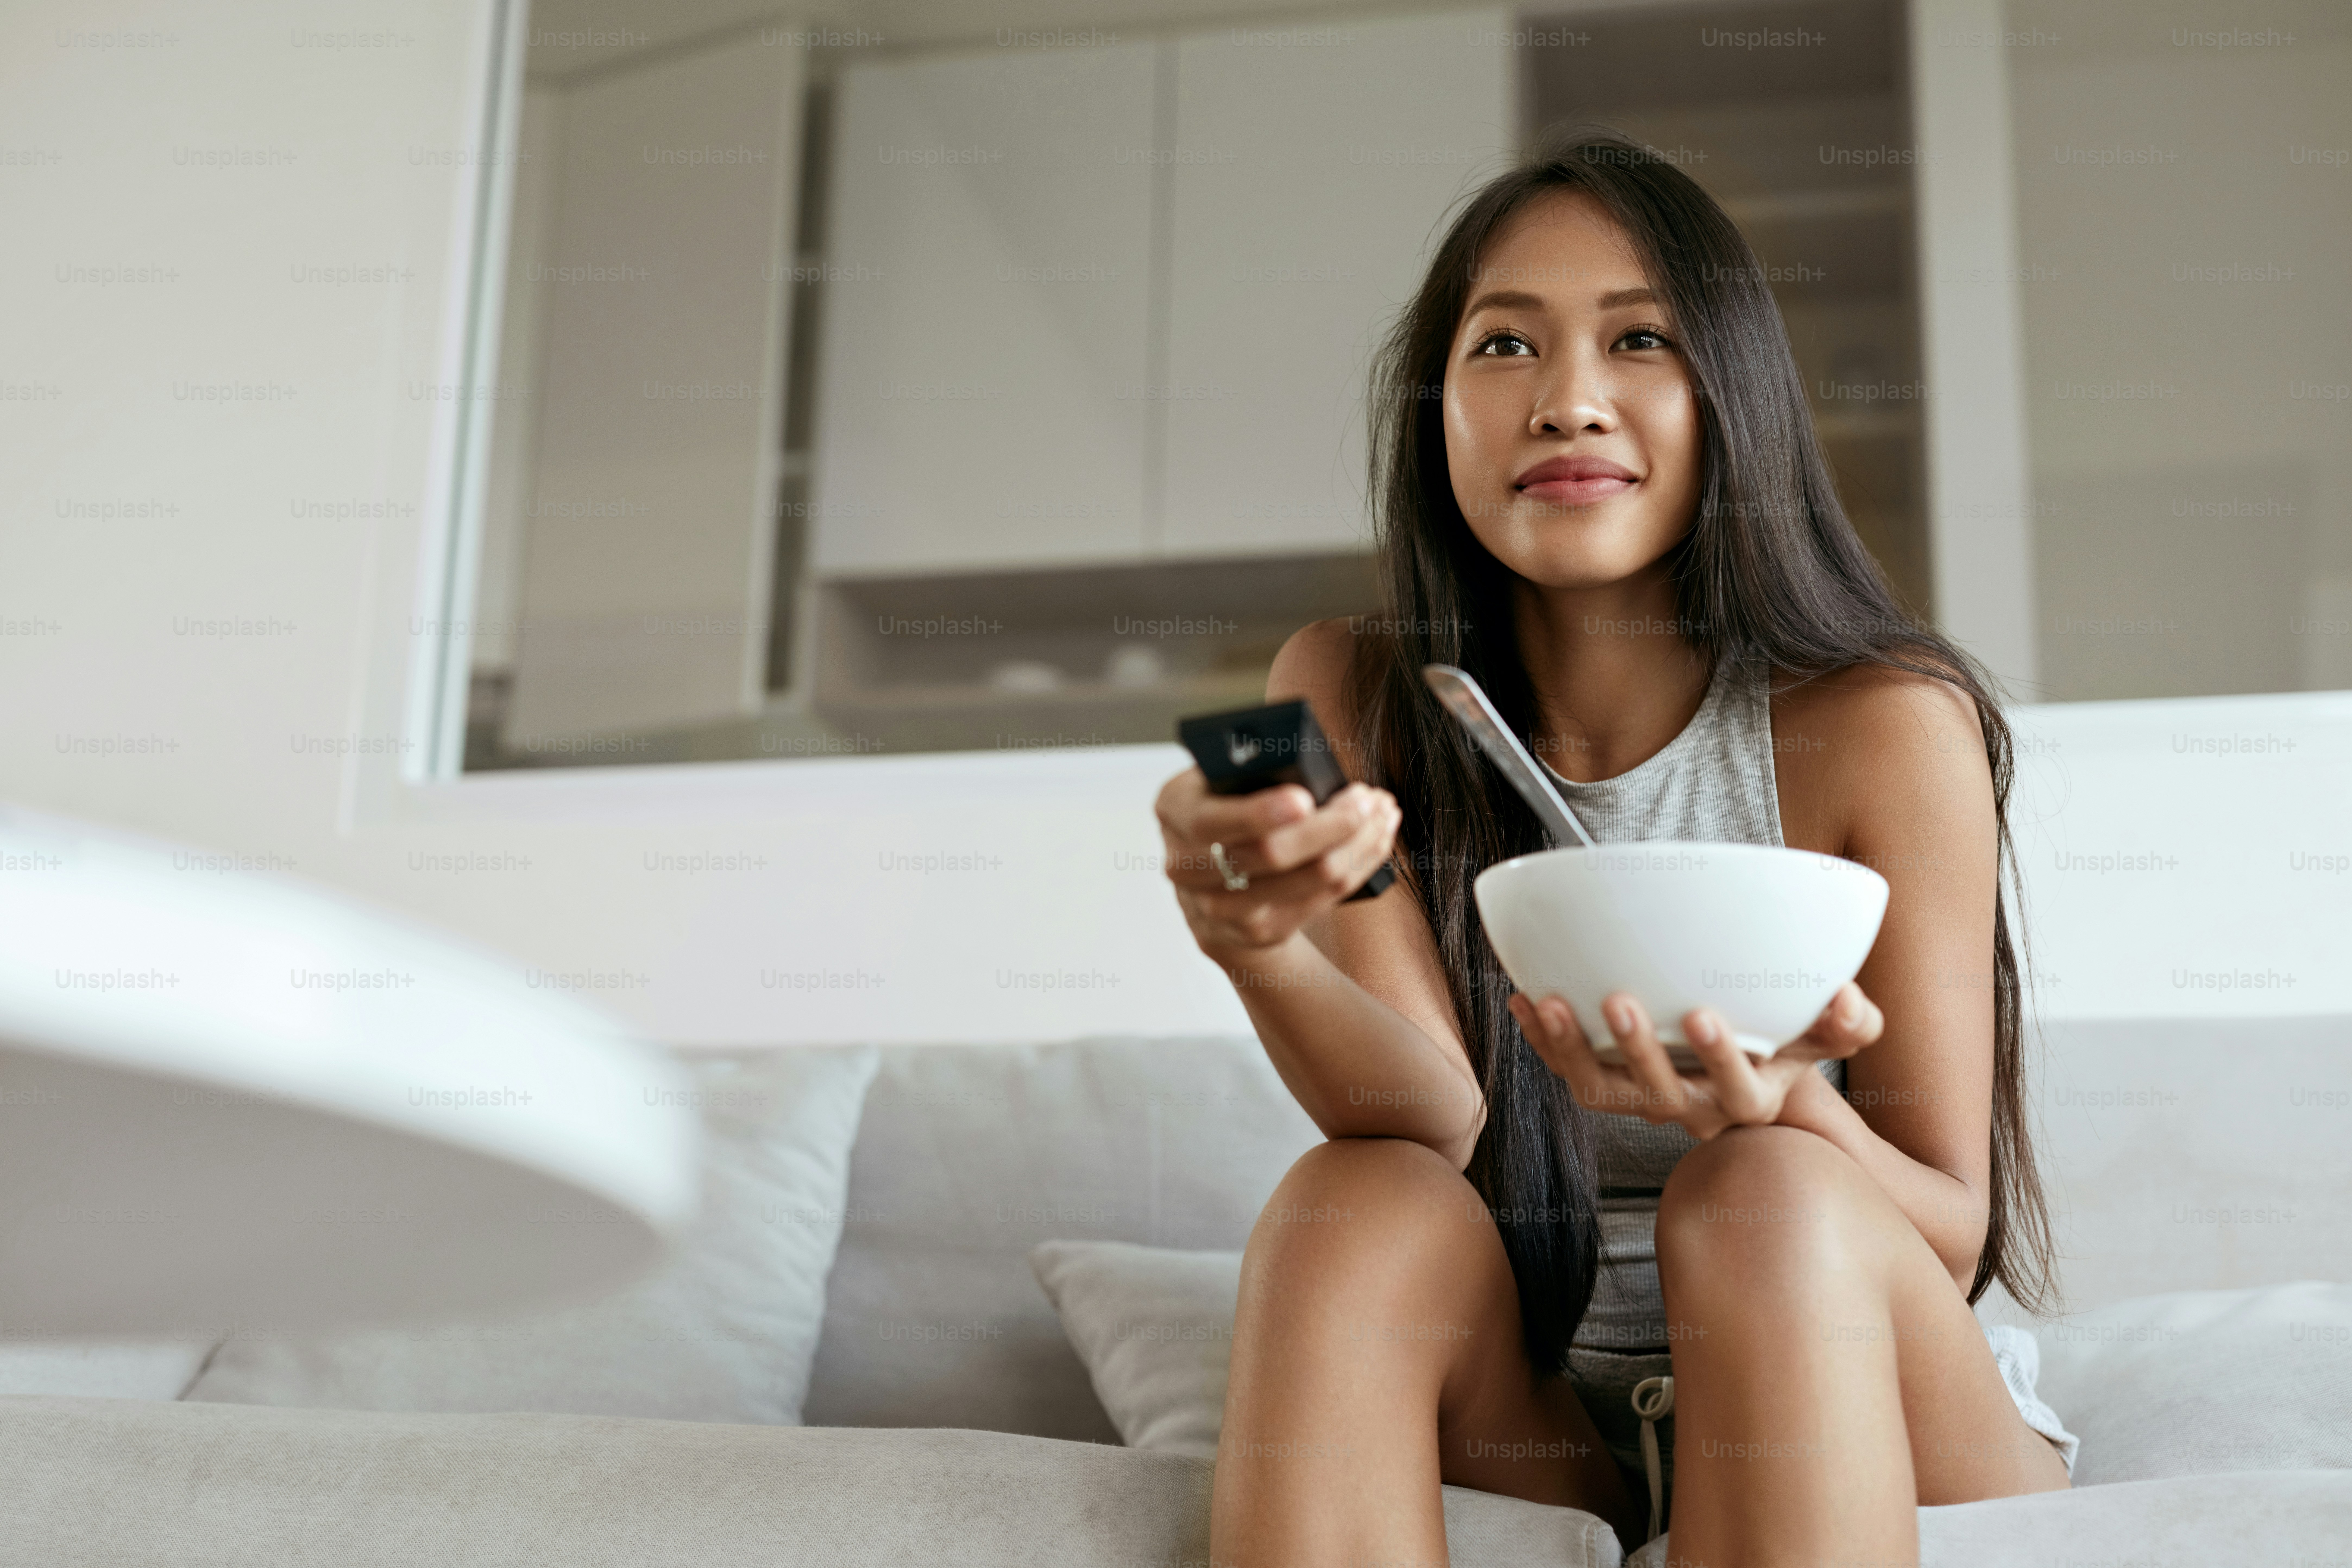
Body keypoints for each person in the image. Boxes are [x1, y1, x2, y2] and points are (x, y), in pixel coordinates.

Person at [1153, 128, 2075, 1567]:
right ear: (1435, 409)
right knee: (1352, 1200)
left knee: (1755, 1196)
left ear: (1731, 396)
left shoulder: (1878, 722)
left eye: (1637, 339)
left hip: (1862, 1374)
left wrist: (1781, 1110)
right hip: (1540, 1405)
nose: (1567, 402)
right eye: (1504, 347)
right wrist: (1253, 945)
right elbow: (1432, 1126)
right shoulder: (1355, 689)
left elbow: (1945, 1236)